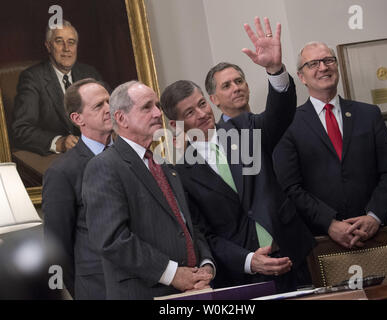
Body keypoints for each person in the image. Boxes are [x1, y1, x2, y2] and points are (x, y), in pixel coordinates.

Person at [161, 17, 315, 291]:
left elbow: (280, 115)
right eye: (190, 112)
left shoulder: (244, 127)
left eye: (201, 104)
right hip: (243, 276)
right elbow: (204, 234)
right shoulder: (181, 173)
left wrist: (275, 69)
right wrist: (247, 260)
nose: (202, 114)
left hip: (293, 256)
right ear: (175, 125)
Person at [82, 81, 215, 300]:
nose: (157, 113)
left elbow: (188, 224)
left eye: (157, 106)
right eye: (147, 107)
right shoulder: (104, 166)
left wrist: (206, 264)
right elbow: (112, 239)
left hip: (193, 290)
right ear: (122, 118)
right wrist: (172, 274)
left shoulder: (163, 164)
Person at [273, 41, 387, 249]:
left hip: (377, 234)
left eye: (328, 60)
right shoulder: (288, 124)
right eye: (313, 64)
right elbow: (290, 187)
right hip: (322, 240)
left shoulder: (369, 114)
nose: (323, 67)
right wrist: (329, 223)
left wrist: (374, 216)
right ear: (301, 76)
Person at [42, 78, 113, 299]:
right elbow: (57, 248)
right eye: (99, 105)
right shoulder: (62, 172)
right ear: (77, 118)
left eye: (109, 102)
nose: (109, 109)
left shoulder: (130, 156)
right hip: (99, 289)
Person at [12, 20, 103, 155]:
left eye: (71, 42)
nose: (66, 48)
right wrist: (59, 142)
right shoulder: (32, 78)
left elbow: (111, 110)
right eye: (59, 41)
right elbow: (21, 129)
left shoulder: (89, 73)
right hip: (61, 159)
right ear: (48, 46)